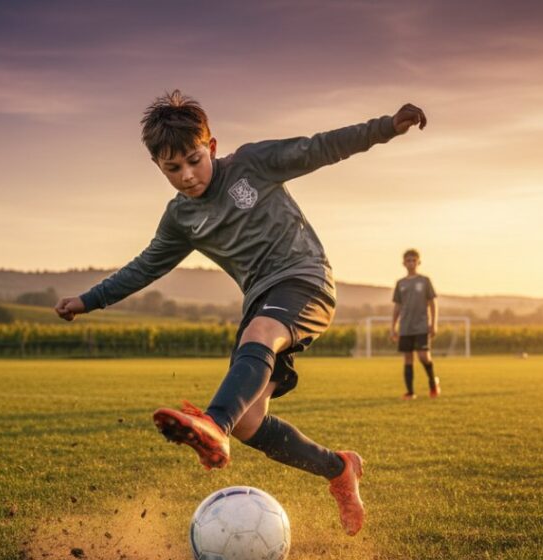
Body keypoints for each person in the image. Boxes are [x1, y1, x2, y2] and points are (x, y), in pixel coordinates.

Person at [56, 90, 427, 536]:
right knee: (250, 422)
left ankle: (213, 424)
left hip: (304, 280)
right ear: (158, 167)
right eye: (172, 169)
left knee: (260, 335)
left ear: (211, 147)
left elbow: (321, 146)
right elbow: (145, 266)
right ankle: (338, 468)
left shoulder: (252, 164)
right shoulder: (180, 219)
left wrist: (386, 126)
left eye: (194, 160)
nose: (187, 176)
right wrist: (88, 300)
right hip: (260, 303)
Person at [390, 249, 439, 399]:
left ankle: (433, 382)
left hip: (421, 325)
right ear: (403, 263)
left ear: (418, 262)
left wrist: (434, 323)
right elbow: (397, 306)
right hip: (405, 327)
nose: (411, 263)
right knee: (408, 358)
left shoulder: (424, 281)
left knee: (423, 356)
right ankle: (410, 392)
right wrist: (393, 326)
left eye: (413, 260)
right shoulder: (401, 283)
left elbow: (432, 303)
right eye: (408, 260)